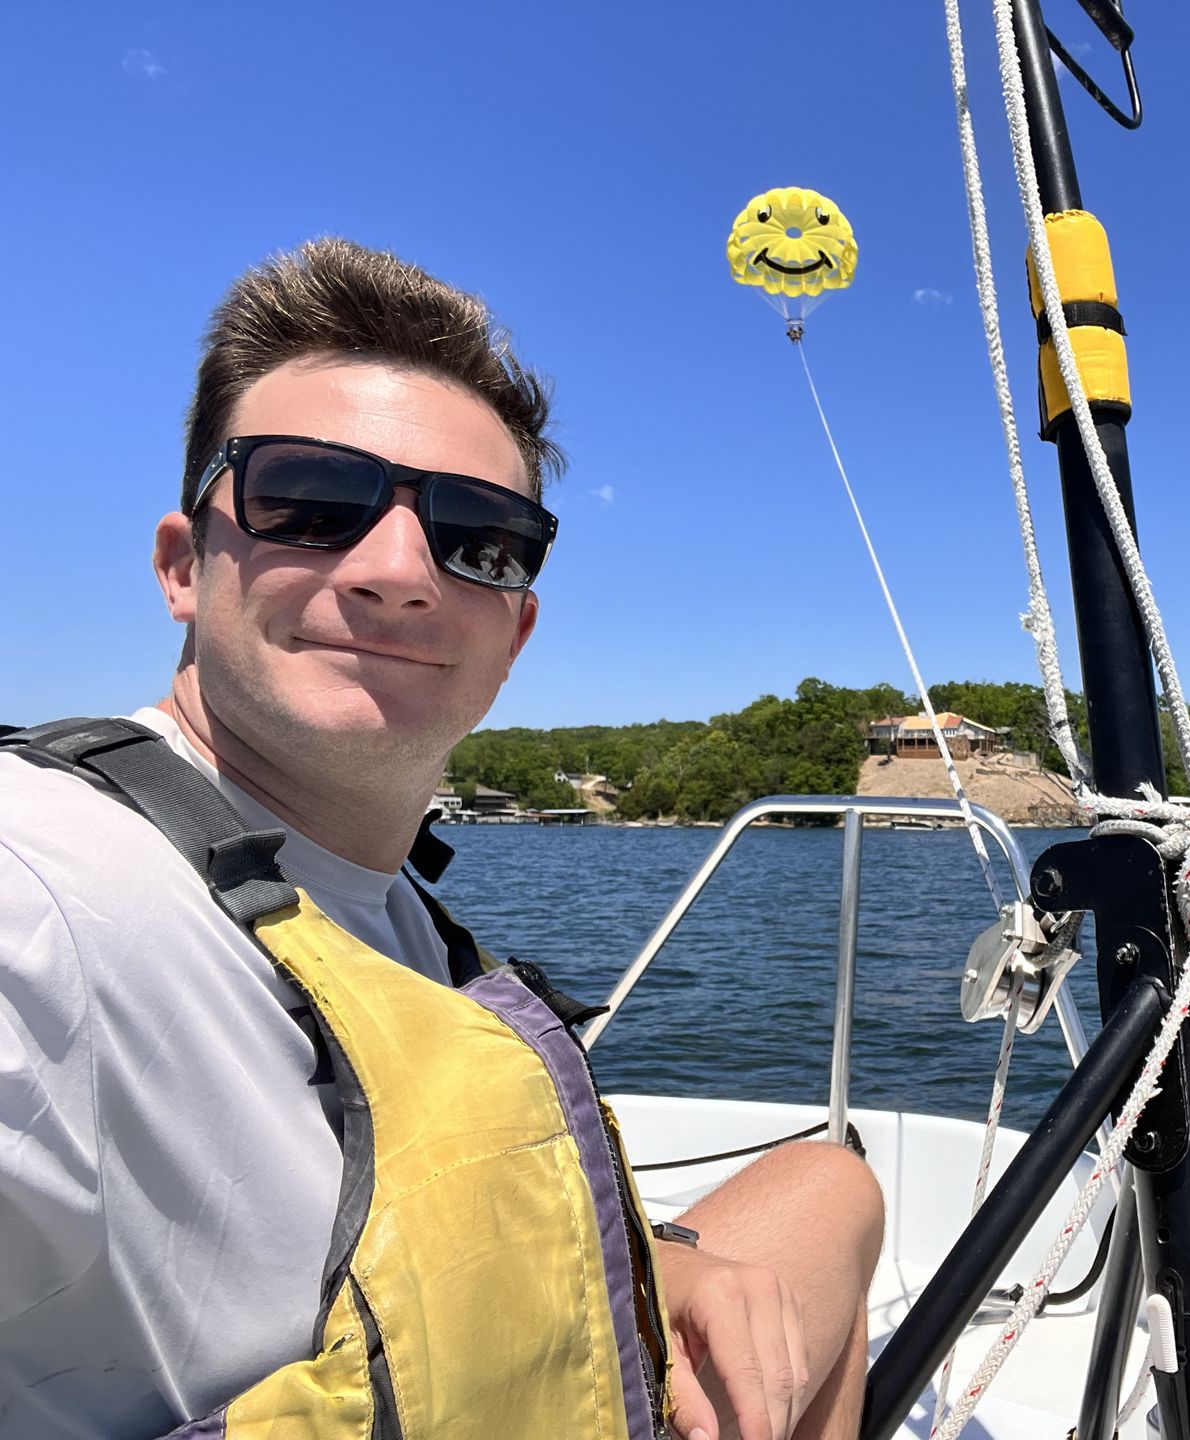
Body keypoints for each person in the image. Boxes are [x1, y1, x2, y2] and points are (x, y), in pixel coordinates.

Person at [0, 238, 883, 1440]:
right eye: (310, 501)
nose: (400, 571)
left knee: (829, 1187)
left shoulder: (392, 911)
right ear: (182, 567)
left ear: (513, 634)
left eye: (480, 536)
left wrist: (662, 1266)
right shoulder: (48, 894)